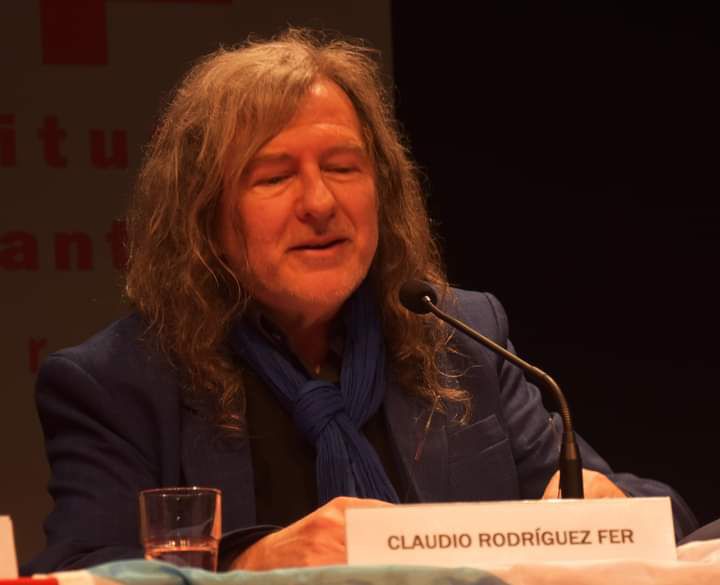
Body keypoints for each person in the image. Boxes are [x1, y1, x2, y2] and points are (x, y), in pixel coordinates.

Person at [23, 29, 697, 574]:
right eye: (274, 176)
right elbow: (80, 571)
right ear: (203, 217)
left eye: (343, 167)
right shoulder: (118, 383)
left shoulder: (460, 338)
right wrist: (252, 564)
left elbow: (666, 520)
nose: (320, 202)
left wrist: (612, 509)